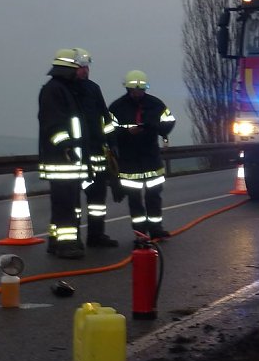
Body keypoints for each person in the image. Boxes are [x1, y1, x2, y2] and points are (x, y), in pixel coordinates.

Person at [108, 70, 176, 240]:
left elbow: (169, 121)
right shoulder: (116, 107)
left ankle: (156, 229)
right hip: (129, 160)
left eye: (141, 89)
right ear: (128, 89)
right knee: (134, 200)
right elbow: (108, 130)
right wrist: (126, 133)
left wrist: (153, 128)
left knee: (154, 196)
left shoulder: (155, 104)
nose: (138, 93)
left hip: (151, 158)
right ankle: (140, 234)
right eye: (134, 90)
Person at [37, 49, 89, 259]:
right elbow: (54, 126)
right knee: (66, 204)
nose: (83, 72)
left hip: (68, 161)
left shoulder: (64, 89)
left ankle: (57, 241)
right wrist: (67, 148)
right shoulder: (54, 90)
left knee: (65, 204)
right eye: (80, 68)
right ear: (70, 68)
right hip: (62, 161)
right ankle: (66, 246)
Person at [71, 48, 119, 248]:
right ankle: (69, 240)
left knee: (97, 201)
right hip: (74, 157)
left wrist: (112, 142)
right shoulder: (65, 89)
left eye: (86, 67)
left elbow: (105, 118)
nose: (85, 71)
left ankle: (96, 235)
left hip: (97, 154)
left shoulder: (93, 88)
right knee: (71, 203)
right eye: (81, 67)